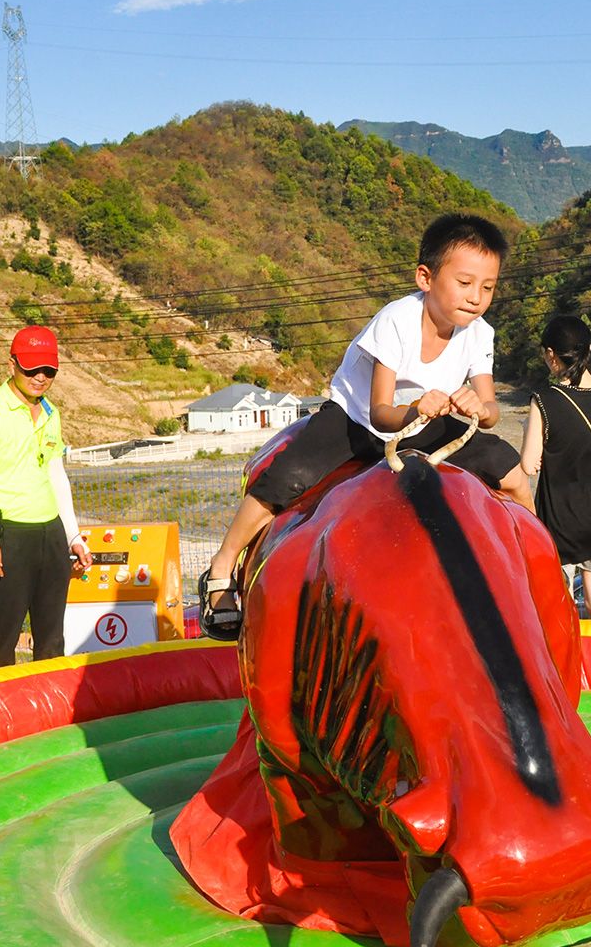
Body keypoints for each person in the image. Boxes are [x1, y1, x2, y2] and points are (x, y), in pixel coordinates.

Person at [199, 213, 534, 638]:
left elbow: (490, 408)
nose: (476, 297)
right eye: (465, 283)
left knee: (513, 473)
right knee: (288, 477)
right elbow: (381, 413)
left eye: (488, 287)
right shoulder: (396, 320)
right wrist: (415, 410)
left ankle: (537, 573)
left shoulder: (479, 333)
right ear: (425, 278)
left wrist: (478, 407)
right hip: (358, 419)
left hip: (430, 420)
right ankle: (222, 568)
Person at [0, 325, 93, 668]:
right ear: (12, 365)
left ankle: (50, 720)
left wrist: (73, 534)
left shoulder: (51, 413)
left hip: (49, 534)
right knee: (2, 643)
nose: (40, 377)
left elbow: (56, 474)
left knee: (51, 641)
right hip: (7, 536)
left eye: (49, 370)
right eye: (31, 368)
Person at [519, 314, 591, 620]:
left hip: (559, 528)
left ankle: (571, 671)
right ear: (589, 349)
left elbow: (528, 464)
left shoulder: (545, 401)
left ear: (551, 355)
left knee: (558, 618)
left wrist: (530, 427)